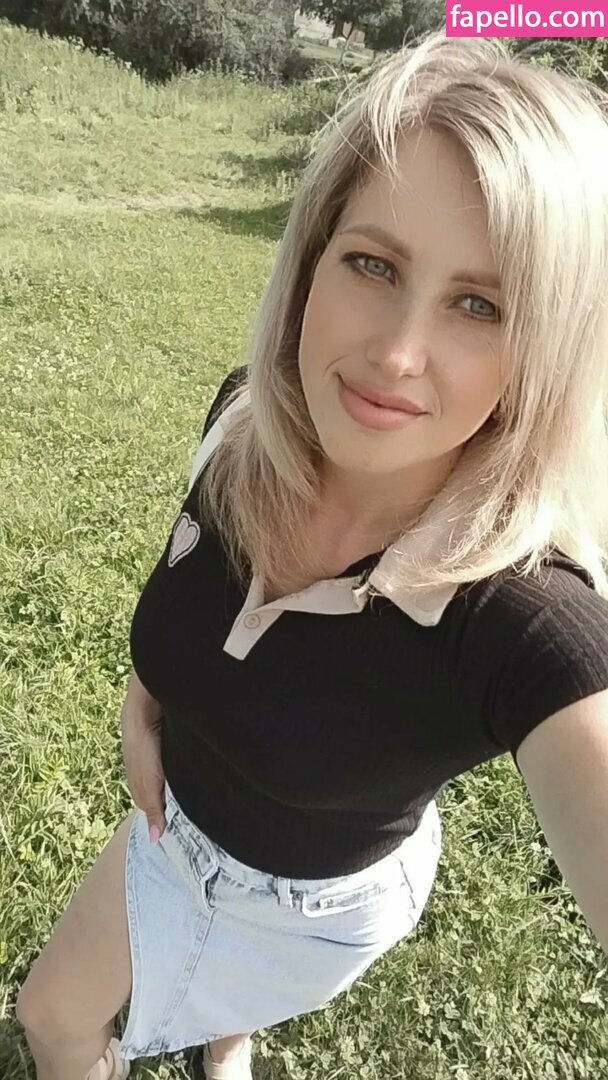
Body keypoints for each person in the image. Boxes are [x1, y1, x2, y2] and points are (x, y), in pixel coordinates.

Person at [15, 26, 608, 1080]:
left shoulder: (525, 620)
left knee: (53, 1019)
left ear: (544, 355)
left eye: (480, 304)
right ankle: (225, 1032)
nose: (396, 354)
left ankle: (229, 1017)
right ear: (310, 263)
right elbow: (190, 582)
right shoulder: (243, 423)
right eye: (373, 264)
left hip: (313, 913)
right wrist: (150, 692)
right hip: (176, 836)